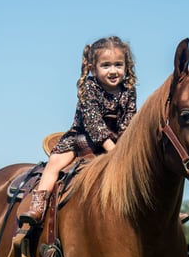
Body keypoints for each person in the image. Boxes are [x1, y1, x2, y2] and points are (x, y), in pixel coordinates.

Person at [19, 36, 137, 226]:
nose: (113, 71)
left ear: (126, 66)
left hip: (117, 141)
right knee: (55, 163)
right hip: (83, 139)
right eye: (106, 65)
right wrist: (113, 150)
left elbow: (129, 119)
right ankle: (38, 205)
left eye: (118, 65)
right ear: (92, 67)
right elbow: (93, 123)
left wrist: (124, 145)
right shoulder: (89, 87)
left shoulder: (128, 90)